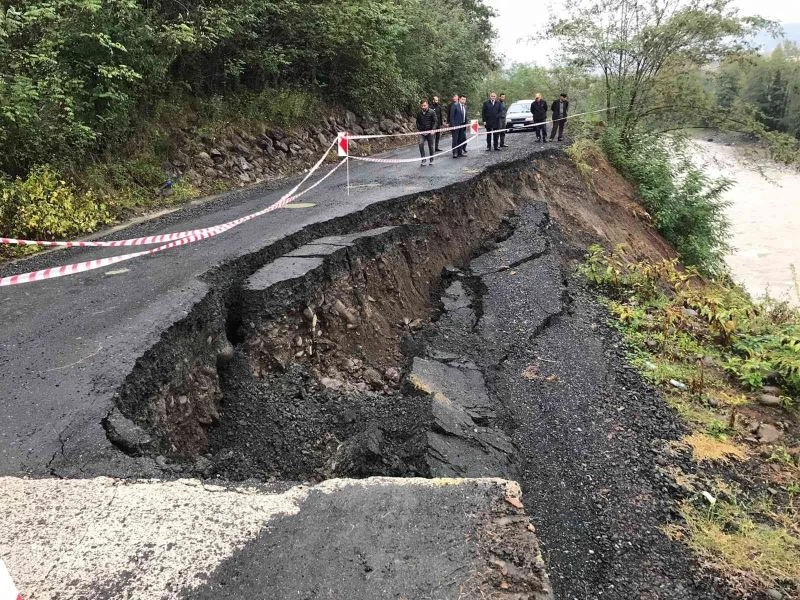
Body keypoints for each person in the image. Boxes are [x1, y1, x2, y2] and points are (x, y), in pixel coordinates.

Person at [416, 99, 438, 166]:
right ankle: (423, 159)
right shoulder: (419, 113)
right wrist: (419, 128)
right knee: (420, 144)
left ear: (427, 105)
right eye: (422, 106)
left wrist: (433, 129)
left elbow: (435, 121)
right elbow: (417, 121)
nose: (423, 107)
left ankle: (431, 159)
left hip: (430, 132)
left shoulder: (432, 112)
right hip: (422, 132)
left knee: (430, 146)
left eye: (425, 105)